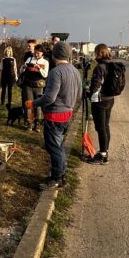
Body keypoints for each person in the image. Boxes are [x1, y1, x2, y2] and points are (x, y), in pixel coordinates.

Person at [27, 42, 81, 189]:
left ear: (54, 54)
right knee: (59, 146)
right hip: (67, 113)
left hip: (55, 115)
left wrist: (34, 103)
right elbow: (79, 94)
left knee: (54, 148)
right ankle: (61, 175)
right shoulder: (75, 71)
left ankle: (56, 178)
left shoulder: (56, 72)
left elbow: (50, 98)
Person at [88, 44, 115, 164]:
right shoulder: (111, 64)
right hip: (110, 99)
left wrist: (89, 93)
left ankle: (102, 156)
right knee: (106, 126)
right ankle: (105, 151)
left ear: (99, 53)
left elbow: (96, 85)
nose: (95, 55)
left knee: (101, 128)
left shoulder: (100, 67)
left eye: (95, 53)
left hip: (100, 100)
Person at [18, 45, 49, 131]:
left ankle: (38, 124)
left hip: (39, 86)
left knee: (38, 105)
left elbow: (45, 75)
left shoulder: (45, 62)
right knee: (29, 104)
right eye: (35, 52)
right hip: (28, 85)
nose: (36, 54)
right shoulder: (29, 59)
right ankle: (30, 123)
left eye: (38, 53)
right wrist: (23, 67)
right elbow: (21, 71)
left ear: (42, 53)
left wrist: (39, 68)